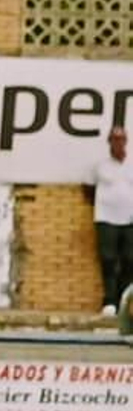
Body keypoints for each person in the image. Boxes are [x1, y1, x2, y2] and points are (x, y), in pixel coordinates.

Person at [85, 126, 133, 317]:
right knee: (108, 260)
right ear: (109, 143)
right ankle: (110, 302)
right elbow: (88, 189)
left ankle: (123, 301)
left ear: (126, 142)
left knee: (130, 260)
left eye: (121, 139)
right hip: (106, 219)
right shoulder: (100, 166)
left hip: (130, 220)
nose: (118, 143)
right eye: (114, 139)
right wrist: (105, 204)